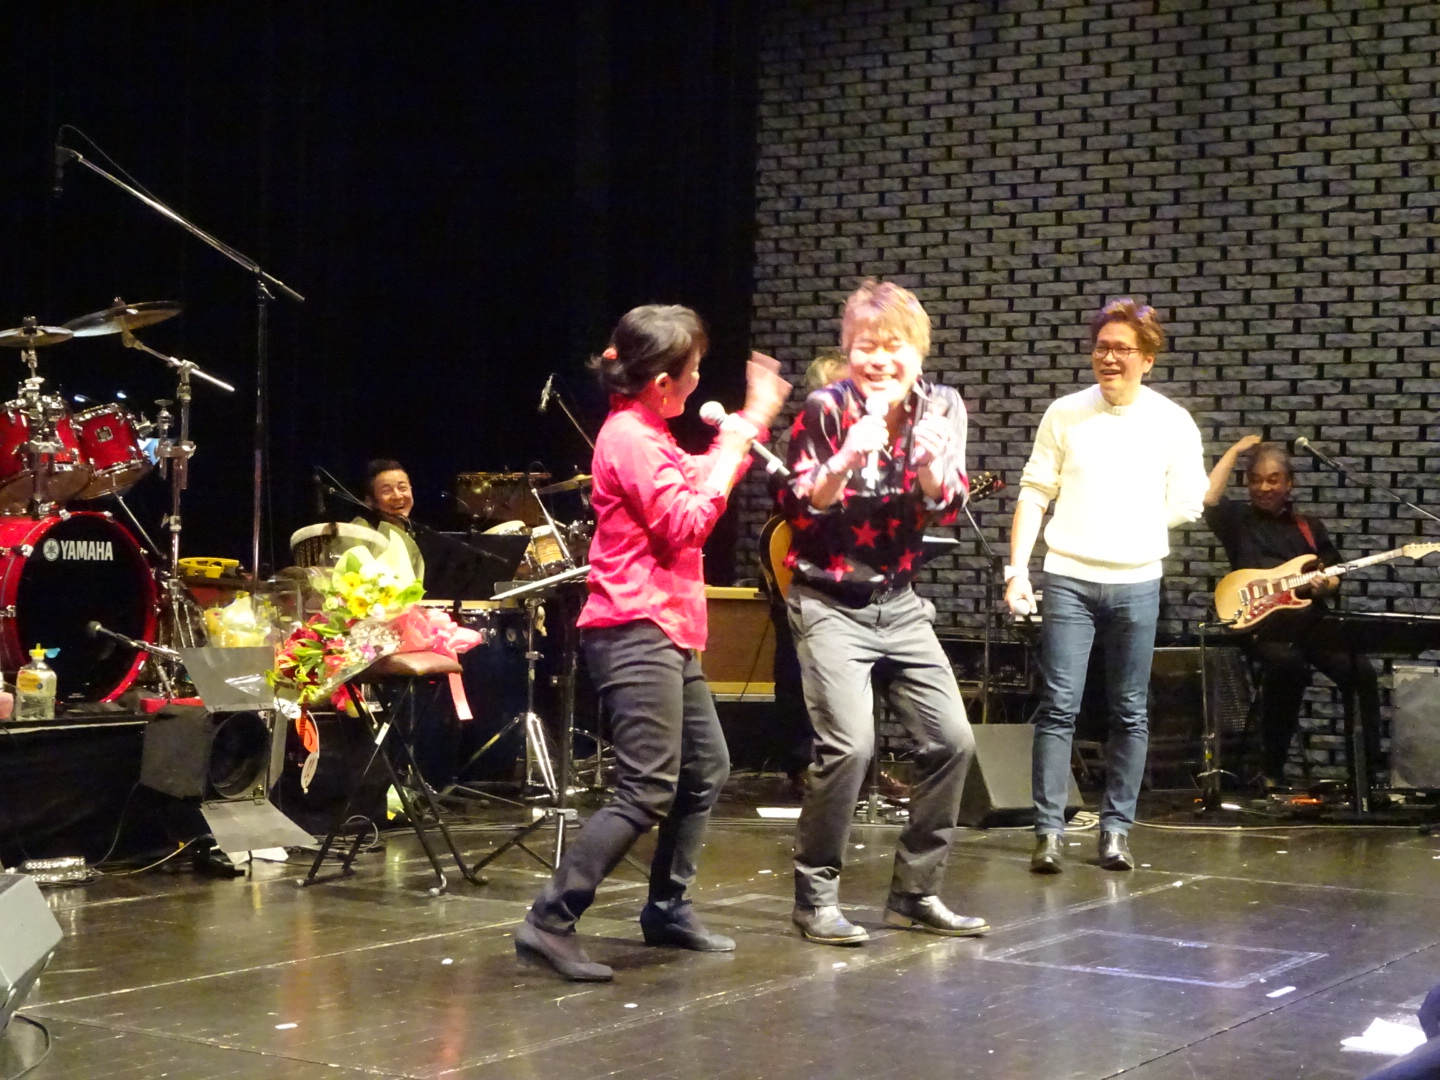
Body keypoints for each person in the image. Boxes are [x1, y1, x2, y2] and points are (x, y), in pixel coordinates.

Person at [516, 304, 789, 982]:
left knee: (705, 768)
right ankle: (549, 919)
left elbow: (691, 482)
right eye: (692, 372)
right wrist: (738, 441)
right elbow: (687, 522)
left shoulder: (648, 430)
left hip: (663, 626)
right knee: (646, 786)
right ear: (663, 381)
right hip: (632, 626)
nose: (697, 382)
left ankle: (667, 907)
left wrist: (748, 425)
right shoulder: (630, 437)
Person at [779, 279, 986, 946]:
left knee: (952, 741)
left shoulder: (942, 406)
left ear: (918, 352)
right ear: (848, 351)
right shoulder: (826, 408)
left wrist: (928, 468)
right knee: (851, 748)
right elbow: (800, 508)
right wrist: (847, 457)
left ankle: (915, 894)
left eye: (892, 346)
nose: (879, 359)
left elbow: (947, 506)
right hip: (829, 601)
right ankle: (815, 899)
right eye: (865, 346)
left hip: (899, 603)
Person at [1006, 298, 1207, 874]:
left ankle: (1116, 830)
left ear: (1148, 358)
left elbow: (1188, 500)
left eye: (1122, 349)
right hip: (1069, 576)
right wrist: (1016, 570)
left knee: (1130, 710)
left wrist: (1136, 526)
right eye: (1102, 348)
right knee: (1058, 705)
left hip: (1137, 580)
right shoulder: (1065, 413)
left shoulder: (1172, 421)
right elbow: (1034, 493)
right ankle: (1048, 832)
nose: (1109, 358)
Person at [1203, 437, 1381, 790]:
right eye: (1256, 480)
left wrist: (1324, 586)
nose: (1264, 488)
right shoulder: (1237, 520)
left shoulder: (1308, 527)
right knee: (1287, 666)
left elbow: (1334, 573)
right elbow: (1208, 497)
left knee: (1361, 673)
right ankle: (1271, 772)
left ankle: (1365, 779)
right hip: (1262, 624)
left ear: (1289, 484)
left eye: (1273, 480)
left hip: (1310, 621)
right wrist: (1234, 452)